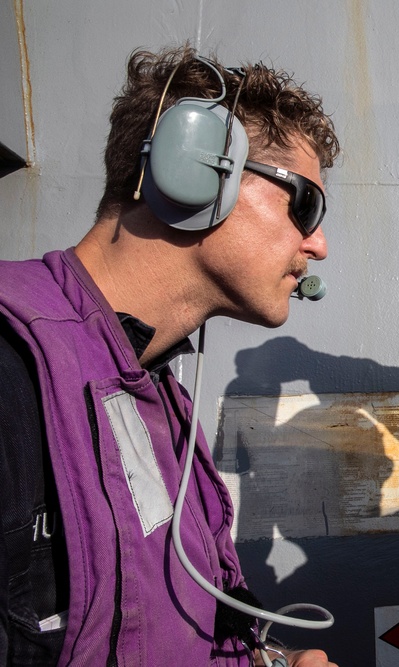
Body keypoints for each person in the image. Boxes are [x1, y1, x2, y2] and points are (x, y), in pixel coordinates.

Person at [0, 46, 340, 666]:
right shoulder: (10, 370)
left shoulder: (158, 397)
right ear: (198, 167)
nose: (318, 244)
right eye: (306, 204)